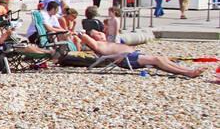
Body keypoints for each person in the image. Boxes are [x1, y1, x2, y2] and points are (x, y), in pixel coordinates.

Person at [73, 33, 203, 78]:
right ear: (94, 37)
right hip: (127, 58)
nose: (101, 33)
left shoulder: (105, 41)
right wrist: (82, 35)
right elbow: (90, 42)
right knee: (157, 60)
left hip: (133, 55)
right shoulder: (99, 44)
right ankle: (187, 73)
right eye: (97, 33)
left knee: (161, 58)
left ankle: (187, 70)